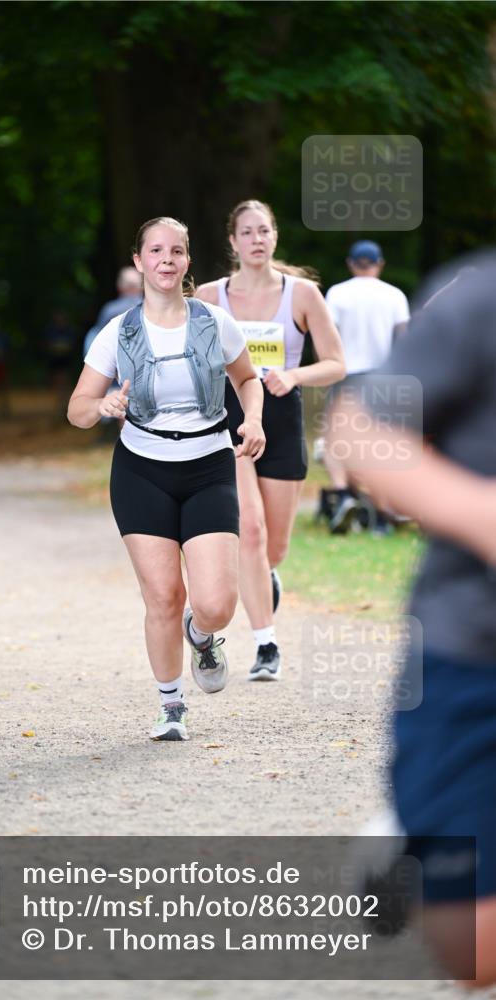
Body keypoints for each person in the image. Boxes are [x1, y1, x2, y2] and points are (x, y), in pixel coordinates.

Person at [330, 252, 496, 988]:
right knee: (476, 956)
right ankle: (415, 839)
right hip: (476, 646)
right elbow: (356, 428)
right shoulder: (480, 300)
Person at [68, 217, 265, 742]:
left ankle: (202, 637)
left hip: (208, 466)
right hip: (141, 470)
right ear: (139, 261)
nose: (166, 260)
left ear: (187, 261)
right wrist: (102, 404)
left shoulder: (215, 323)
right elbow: (77, 409)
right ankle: (171, 704)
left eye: (176, 250)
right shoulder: (119, 332)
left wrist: (253, 418)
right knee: (162, 595)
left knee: (217, 603)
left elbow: (247, 380)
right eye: (155, 250)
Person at [196, 200, 345, 681]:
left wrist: (294, 375)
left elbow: (337, 363)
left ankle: (268, 577)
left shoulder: (301, 295)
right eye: (247, 232)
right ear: (233, 241)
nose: (257, 239)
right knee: (251, 533)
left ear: (274, 237)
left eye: (265, 230)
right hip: (231, 422)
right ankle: (266, 645)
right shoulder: (208, 297)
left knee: (272, 547)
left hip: (281, 419)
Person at [322, 239, 410, 534]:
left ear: (350, 263)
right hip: (382, 376)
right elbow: (403, 340)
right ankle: (382, 516)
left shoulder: (337, 293)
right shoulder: (394, 295)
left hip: (345, 373)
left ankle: (344, 494)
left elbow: (328, 335)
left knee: (335, 439)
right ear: (380, 264)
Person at [83, 266, 143, 357]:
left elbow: (95, 337)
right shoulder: (153, 308)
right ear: (142, 286)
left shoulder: (111, 310)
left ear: (119, 286)